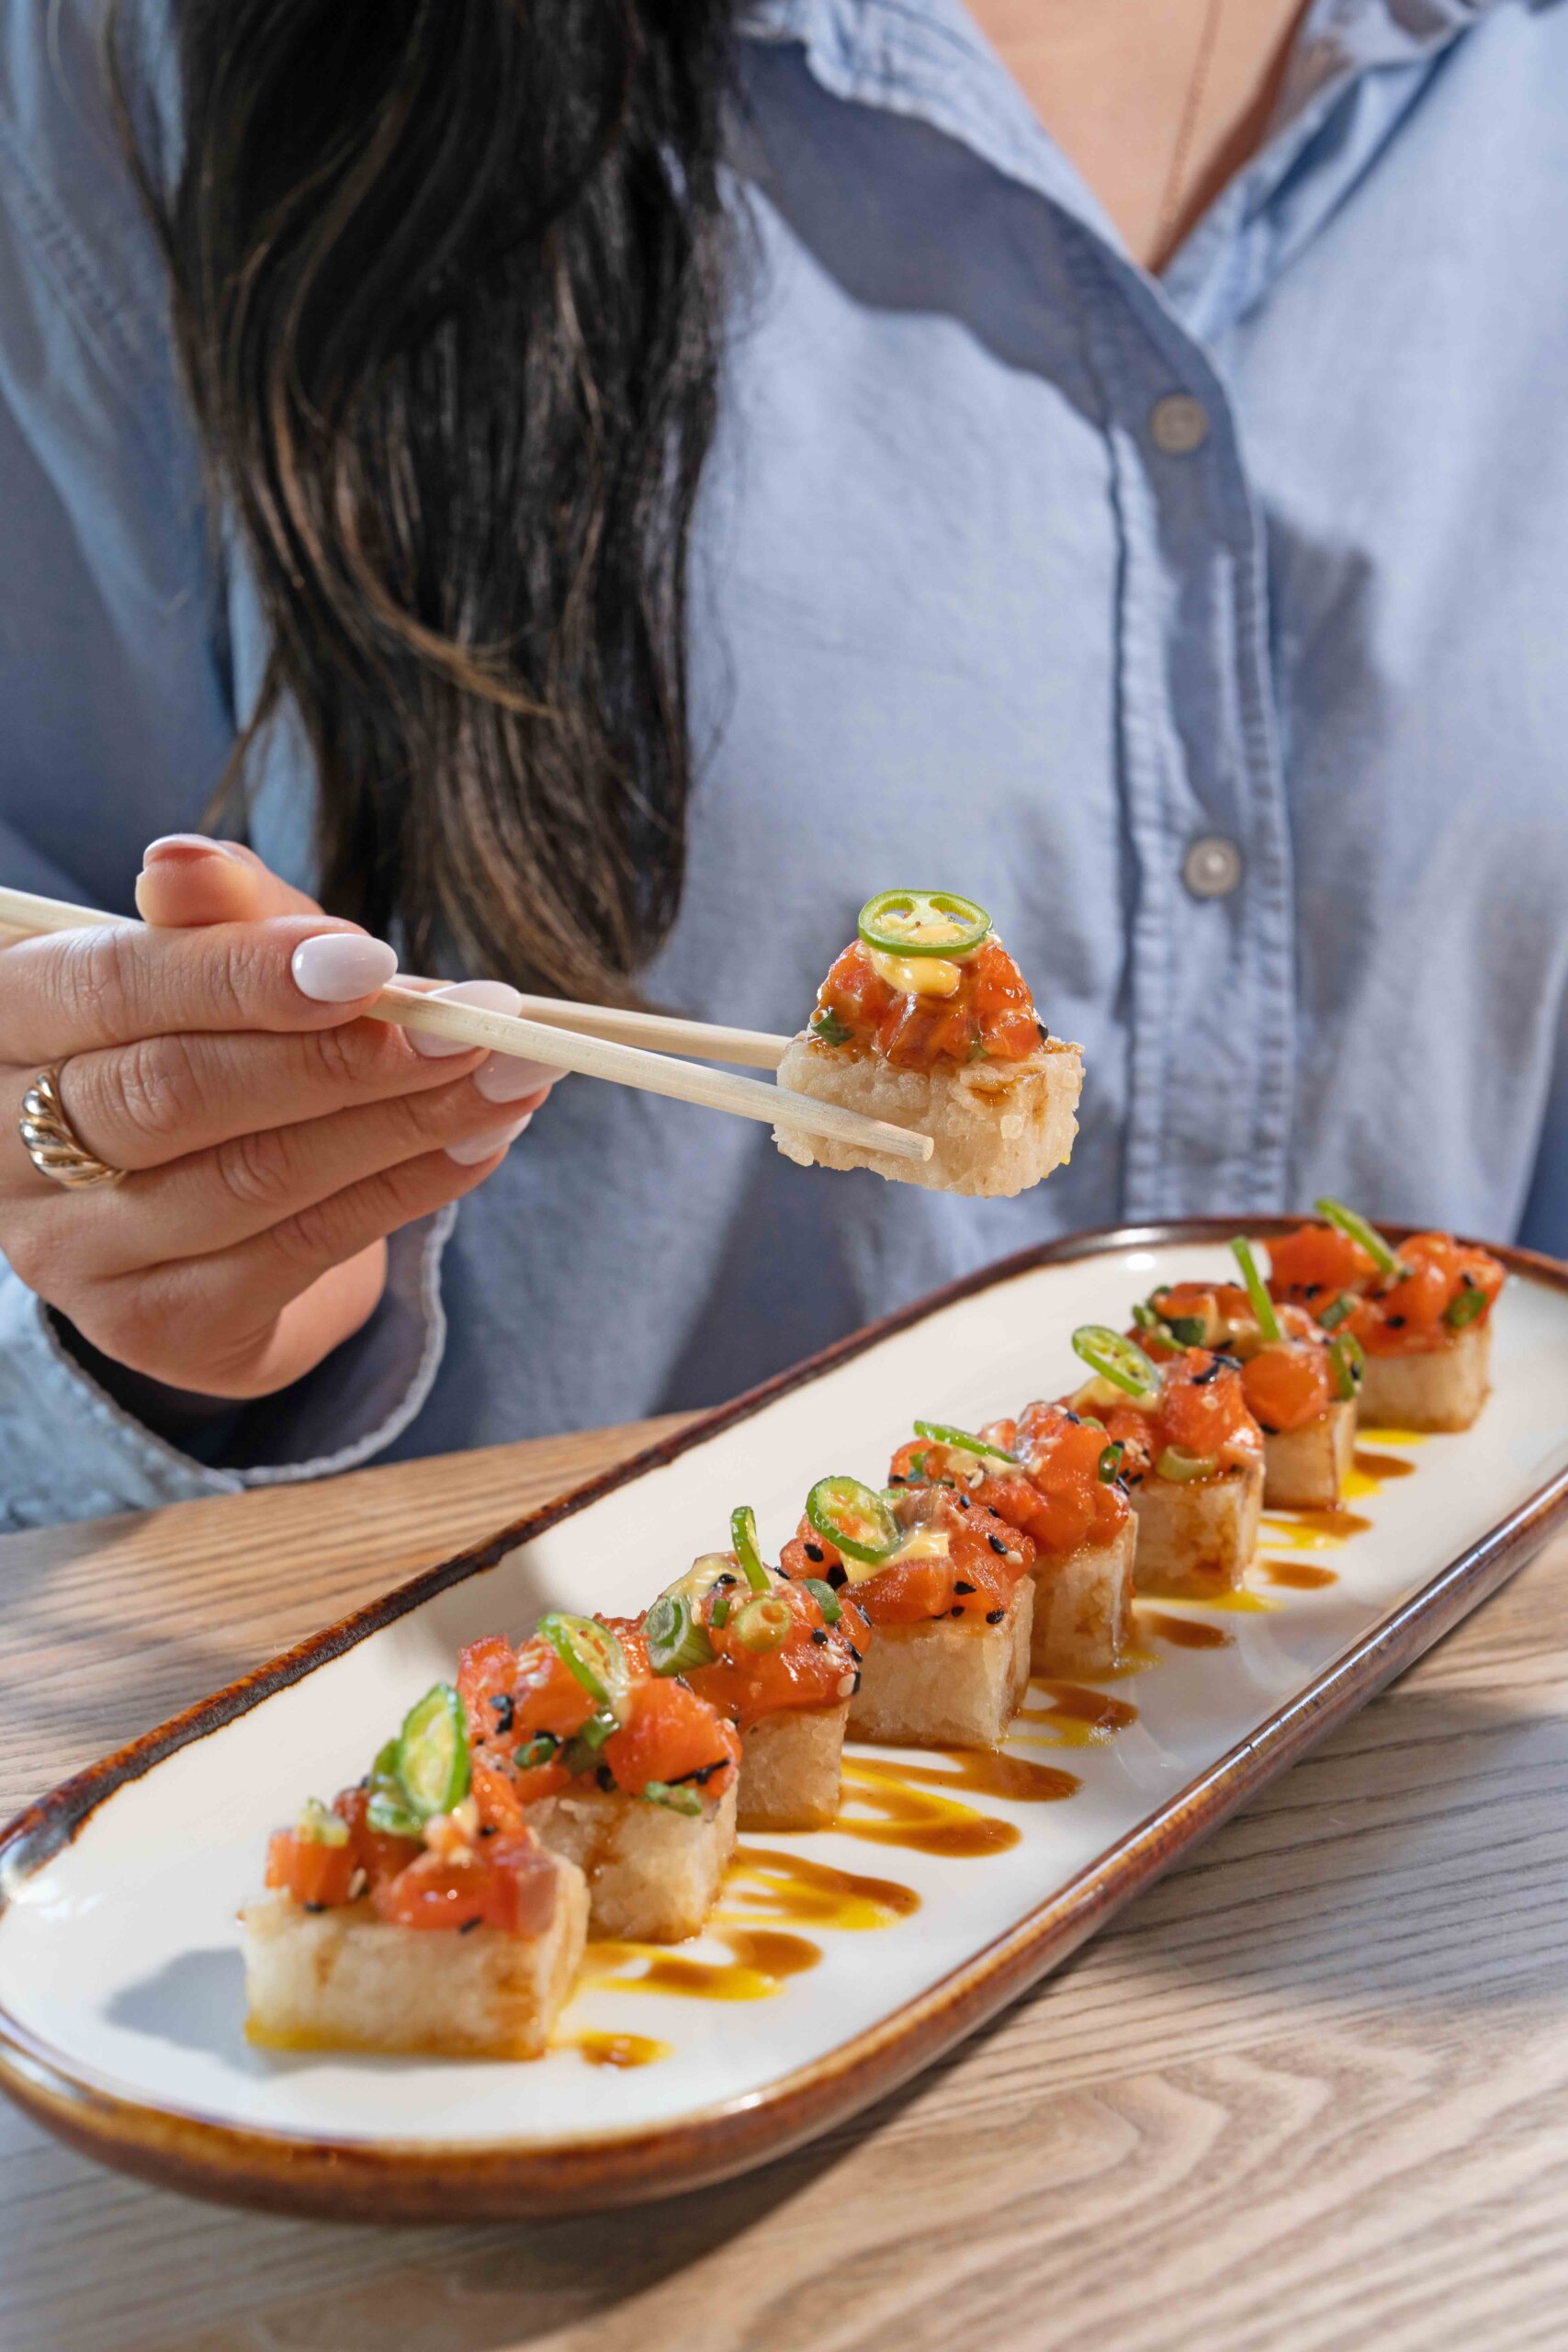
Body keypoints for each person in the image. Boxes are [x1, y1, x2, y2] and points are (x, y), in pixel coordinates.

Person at [1, 0, 1564, 1533]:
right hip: (458, 1712)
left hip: (1454, 1738)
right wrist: (144, 1278)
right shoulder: (143, 62)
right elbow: (44, 1016)